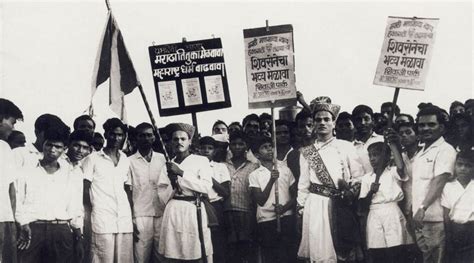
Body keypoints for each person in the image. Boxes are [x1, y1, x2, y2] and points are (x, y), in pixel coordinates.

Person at [297, 97, 364, 263]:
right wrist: (301, 208)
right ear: (313, 123)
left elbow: (358, 176)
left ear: (333, 123)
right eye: (318, 119)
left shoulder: (346, 146)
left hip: (340, 204)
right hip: (315, 205)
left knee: (341, 251)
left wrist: (350, 193)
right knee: (319, 251)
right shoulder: (307, 152)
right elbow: (303, 184)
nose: (322, 123)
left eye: (326, 119)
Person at [16, 127, 84, 263]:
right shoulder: (27, 170)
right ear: (43, 145)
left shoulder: (69, 174)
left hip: (61, 230)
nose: (52, 150)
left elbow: (75, 206)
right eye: (49, 145)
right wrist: (23, 224)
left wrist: (78, 236)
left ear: (64, 149)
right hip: (33, 230)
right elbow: (18, 199)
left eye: (57, 147)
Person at [157, 123, 214, 262]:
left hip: (194, 210)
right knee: (174, 252)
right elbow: (162, 197)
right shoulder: (168, 164)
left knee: (196, 251)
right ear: (171, 142)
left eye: (183, 139)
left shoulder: (201, 161)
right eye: (175, 139)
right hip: (174, 211)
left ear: (189, 141)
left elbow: (206, 187)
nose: (179, 142)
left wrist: (181, 173)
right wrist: (173, 183)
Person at [82, 118, 134, 263]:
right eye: (112, 134)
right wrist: (89, 213)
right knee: (102, 258)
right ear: (106, 135)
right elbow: (85, 188)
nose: (116, 138)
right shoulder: (92, 159)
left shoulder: (125, 159)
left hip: (124, 219)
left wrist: (131, 215)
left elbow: (127, 188)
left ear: (124, 136)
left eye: (120, 135)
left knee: (124, 259)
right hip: (102, 218)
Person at [411, 106, 457, 263]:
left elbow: (440, 181)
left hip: (434, 217)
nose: (425, 129)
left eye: (431, 124)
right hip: (419, 218)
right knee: (427, 259)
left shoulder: (445, 150)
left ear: (442, 127)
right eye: (422, 125)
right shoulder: (421, 150)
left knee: (437, 259)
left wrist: (422, 208)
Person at [358, 142, 413, 262]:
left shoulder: (393, 172)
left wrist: (393, 144)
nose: (372, 159)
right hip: (374, 215)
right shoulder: (367, 178)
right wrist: (371, 192)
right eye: (370, 155)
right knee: (377, 251)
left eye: (376, 155)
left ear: (388, 157)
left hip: (392, 213)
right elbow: (362, 204)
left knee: (396, 250)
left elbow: (401, 168)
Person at [249, 135, 297, 263]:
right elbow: (260, 200)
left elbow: (295, 195)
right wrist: (272, 180)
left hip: (286, 216)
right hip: (266, 220)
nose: (270, 149)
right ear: (257, 154)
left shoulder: (285, 170)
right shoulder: (254, 175)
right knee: (271, 256)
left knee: (289, 254)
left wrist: (284, 208)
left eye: (271, 146)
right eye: (265, 147)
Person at [128, 122, 167, 263]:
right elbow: (128, 190)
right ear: (136, 138)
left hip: (161, 213)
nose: (146, 138)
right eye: (142, 135)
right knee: (141, 257)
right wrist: (131, 217)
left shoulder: (163, 158)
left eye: (149, 135)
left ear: (154, 138)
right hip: (141, 215)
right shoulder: (129, 161)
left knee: (161, 255)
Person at [224, 130, 259, 263]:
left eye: (241, 144)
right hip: (227, 212)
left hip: (246, 212)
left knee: (246, 248)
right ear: (230, 146)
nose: (237, 147)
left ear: (246, 146)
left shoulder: (254, 166)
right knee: (231, 249)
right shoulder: (223, 165)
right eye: (234, 144)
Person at [199, 136, 231, 263]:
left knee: (217, 243)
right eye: (203, 148)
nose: (206, 151)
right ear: (198, 150)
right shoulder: (193, 166)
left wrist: (208, 176)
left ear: (215, 151)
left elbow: (225, 192)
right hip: (199, 205)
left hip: (216, 206)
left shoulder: (220, 167)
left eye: (210, 148)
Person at [0, 98, 23, 263]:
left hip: (4, 219)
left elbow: (10, 189)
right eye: (12, 122)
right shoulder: (4, 147)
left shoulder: (4, 147)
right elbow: (11, 190)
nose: (13, 127)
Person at [441, 150, 474, 262]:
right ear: (454, 166)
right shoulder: (448, 187)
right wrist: (449, 235)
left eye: (468, 165)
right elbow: (446, 215)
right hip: (454, 230)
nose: (463, 168)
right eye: (460, 164)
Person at [352, 105, 384, 175]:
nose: (362, 123)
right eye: (358, 120)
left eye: (366, 119)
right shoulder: (350, 147)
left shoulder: (383, 140)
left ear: (372, 120)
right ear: (353, 123)